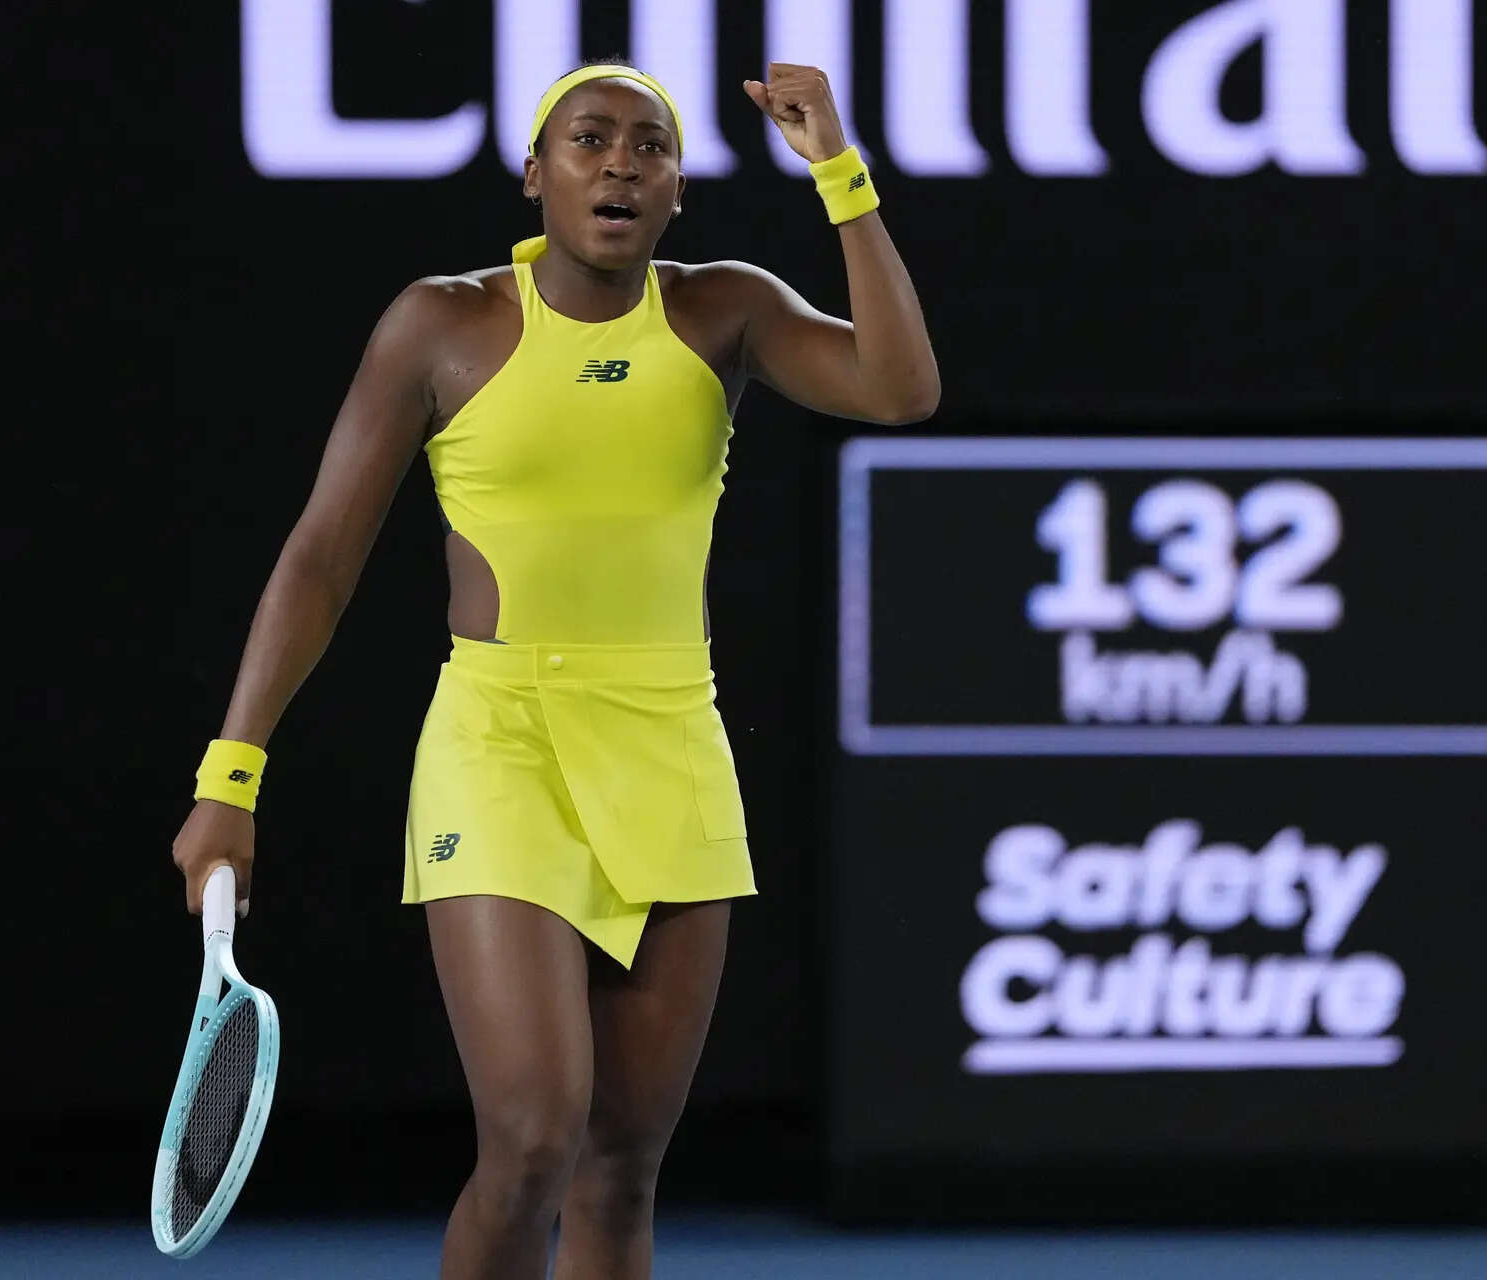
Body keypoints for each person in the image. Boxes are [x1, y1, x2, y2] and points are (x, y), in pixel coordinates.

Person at [170, 59, 937, 1280]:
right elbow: (320, 558)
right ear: (535, 174)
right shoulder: (442, 322)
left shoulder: (725, 309)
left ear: (678, 192)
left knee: (622, 1166)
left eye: (651, 146)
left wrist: (838, 171)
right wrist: (232, 775)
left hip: (673, 742)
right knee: (533, 1136)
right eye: (589, 139)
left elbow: (901, 390)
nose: (621, 161)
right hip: (500, 741)